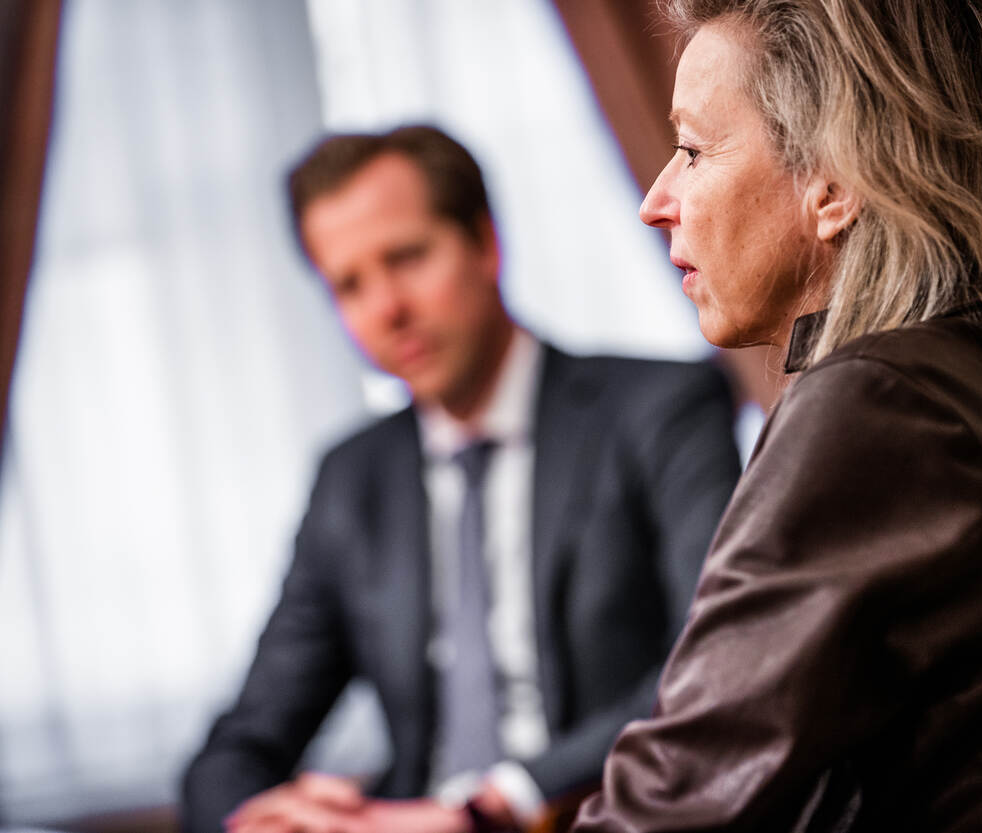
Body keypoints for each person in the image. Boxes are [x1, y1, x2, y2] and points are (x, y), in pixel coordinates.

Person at [571, 1, 982, 831]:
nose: (655, 199)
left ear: (833, 184)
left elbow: (670, 809)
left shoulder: (879, 408)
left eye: (694, 150)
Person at [180, 125, 742, 833]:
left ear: (485, 242)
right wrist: (257, 817)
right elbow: (242, 741)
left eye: (407, 258)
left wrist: (490, 808)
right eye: (349, 285)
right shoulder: (352, 480)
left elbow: (714, 663)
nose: (386, 308)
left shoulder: (660, 410)